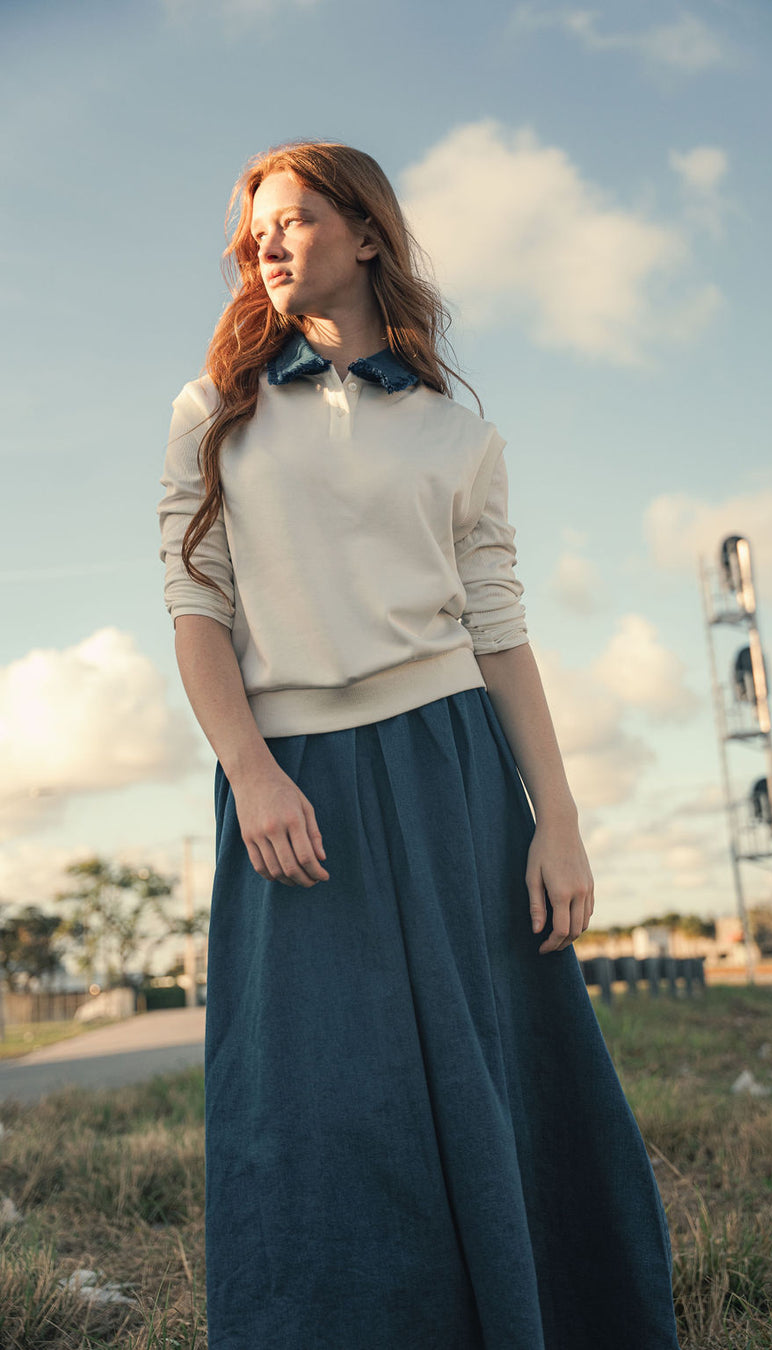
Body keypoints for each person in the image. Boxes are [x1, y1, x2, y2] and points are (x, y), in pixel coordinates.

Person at [158, 139, 681, 1350]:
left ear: (367, 233)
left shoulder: (456, 435)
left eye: (290, 220)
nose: (267, 246)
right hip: (296, 779)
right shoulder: (211, 415)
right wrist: (250, 770)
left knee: (500, 1066)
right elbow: (196, 610)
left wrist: (557, 817)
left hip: (455, 771)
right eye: (254, 235)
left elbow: (497, 629)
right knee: (314, 1092)